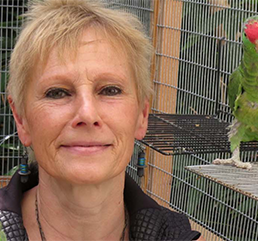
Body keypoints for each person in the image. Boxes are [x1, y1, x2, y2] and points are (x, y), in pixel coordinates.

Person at [0, 0, 205, 240]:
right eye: (57, 92)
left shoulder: (173, 234)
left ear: (142, 114)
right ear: (21, 119)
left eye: (110, 90)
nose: (87, 114)